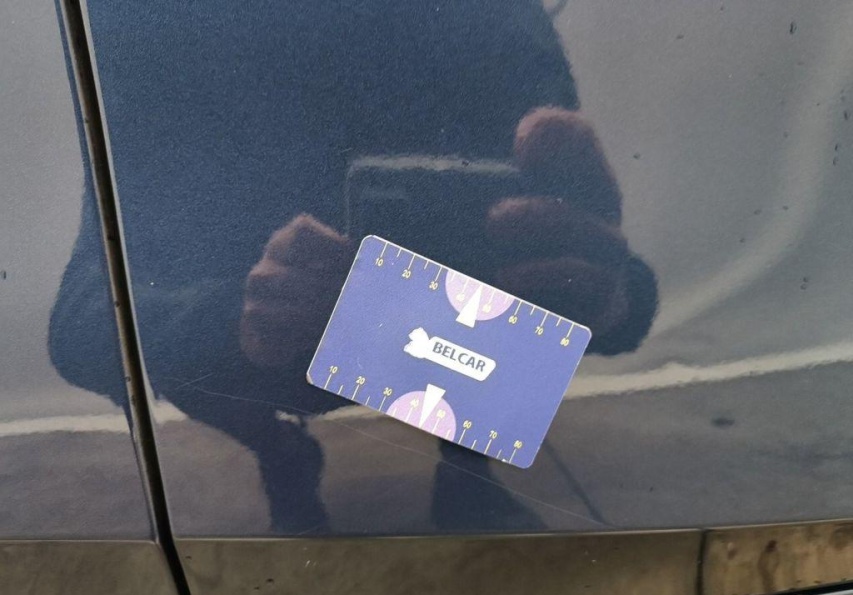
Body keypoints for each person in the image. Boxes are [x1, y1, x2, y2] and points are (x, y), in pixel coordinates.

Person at [50, 0, 657, 533]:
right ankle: (283, 451)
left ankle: (462, 462)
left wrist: (602, 292)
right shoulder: (150, 20)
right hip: (297, 337)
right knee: (167, 338)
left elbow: (574, 261)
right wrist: (240, 321)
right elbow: (82, 320)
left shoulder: (493, 20)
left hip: (434, 326)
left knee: (500, 286)